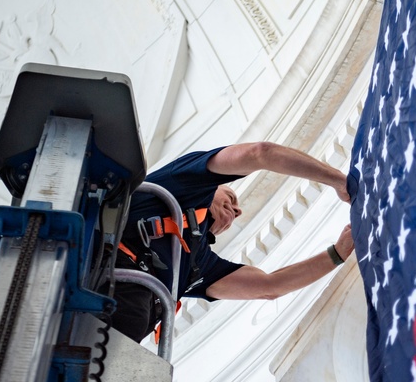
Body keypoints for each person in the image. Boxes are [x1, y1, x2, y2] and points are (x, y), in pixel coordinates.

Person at [107, 141, 354, 342]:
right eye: (232, 197)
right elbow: (260, 153)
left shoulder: (201, 266)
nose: (237, 211)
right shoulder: (182, 183)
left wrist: (338, 254)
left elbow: (270, 287)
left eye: (236, 209)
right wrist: (338, 180)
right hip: (101, 271)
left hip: (123, 327)